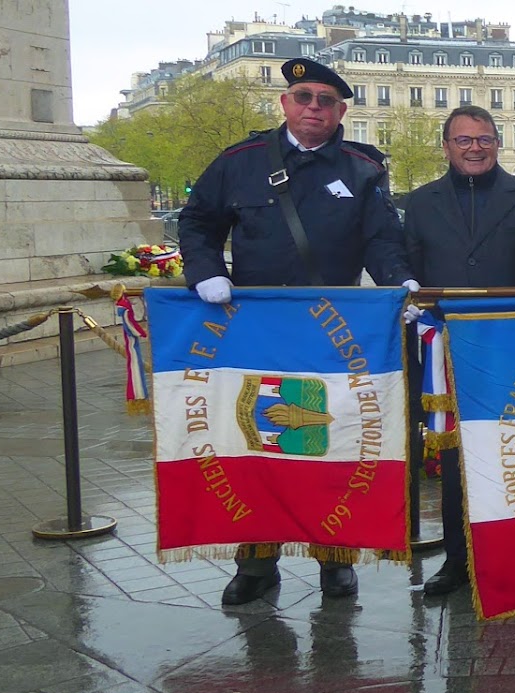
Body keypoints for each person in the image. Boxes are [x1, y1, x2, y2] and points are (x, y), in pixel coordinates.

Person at [179, 57, 416, 607]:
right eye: (304, 97)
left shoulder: (362, 168)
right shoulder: (239, 162)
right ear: (284, 104)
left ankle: (335, 558)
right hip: (255, 332)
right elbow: (197, 221)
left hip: (331, 333)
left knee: (332, 440)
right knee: (258, 443)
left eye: (326, 101)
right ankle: (257, 563)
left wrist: (399, 285)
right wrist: (206, 271)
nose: (314, 109)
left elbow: (382, 239)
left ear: (341, 112)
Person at [400, 105, 515, 597]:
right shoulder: (420, 204)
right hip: (448, 349)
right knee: (456, 458)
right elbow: (408, 267)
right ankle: (458, 561)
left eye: (484, 139)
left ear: (498, 144)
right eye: (463, 140)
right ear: (446, 146)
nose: (474, 148)